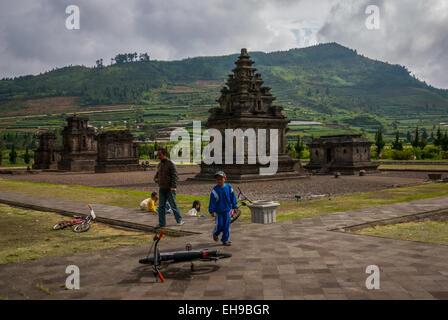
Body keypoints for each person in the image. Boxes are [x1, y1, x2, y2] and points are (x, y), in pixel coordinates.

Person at [154, 148, 184, 227]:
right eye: (158, 155)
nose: (158, 157)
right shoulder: (160, 164)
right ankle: (162, 223)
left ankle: (179, 220)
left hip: (170, 189)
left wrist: (173, 187)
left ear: (164, 154)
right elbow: (157, 175)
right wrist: (157, 180)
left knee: (173, 205)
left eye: (160, 155)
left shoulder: (171, 163)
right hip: (162, 188)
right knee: (161, 207)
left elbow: (175, 176)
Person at [208, 171, 237, 246]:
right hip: (219, 212)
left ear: (225, 179)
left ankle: (225, 240)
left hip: (227, 210)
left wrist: (235, 206)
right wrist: (211, 210)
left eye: (221, 179)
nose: (219, 181)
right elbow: (212, 201)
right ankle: (215, 233)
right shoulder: (215, 190)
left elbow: (232, 197)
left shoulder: (229, 187)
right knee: (220, 225)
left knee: (227, 226)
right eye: (217, 179)